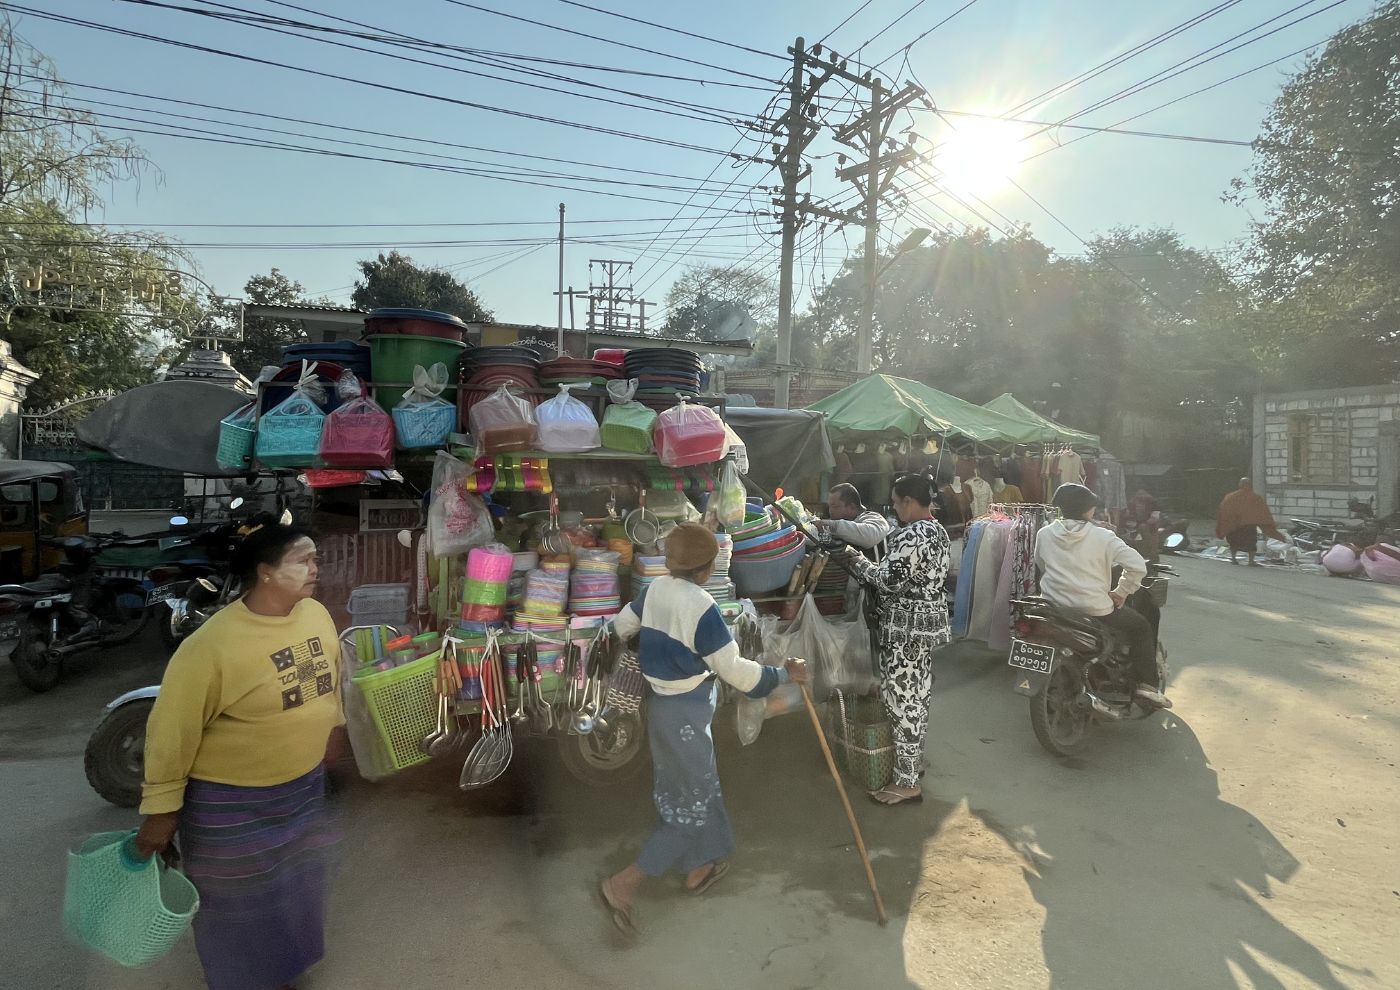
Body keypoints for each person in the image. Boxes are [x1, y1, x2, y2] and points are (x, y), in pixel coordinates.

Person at [135, 525, 344, 990]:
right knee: (237, 902)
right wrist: (161, 812)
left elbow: (330, 676)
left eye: (315, 558)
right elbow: (170, 734)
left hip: (303, 787)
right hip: (230, 802)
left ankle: (288, 969)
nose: (315, 569)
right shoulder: (211, 647)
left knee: (297, 886)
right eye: (302, 560)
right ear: (265, 572)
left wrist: (334, 730)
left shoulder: (315, 615)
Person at [600, 522, 807, 937]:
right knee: (690, 804)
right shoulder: (702, 607)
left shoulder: (654, 591)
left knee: (694, 787)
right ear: (709, 567)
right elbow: (737, 673)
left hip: (663, 709)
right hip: (686, 714)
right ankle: (624, 883)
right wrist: (784, 672)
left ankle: (699, 867)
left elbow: (619, 628)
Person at [839, 475, 952, 807]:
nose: (894, 508)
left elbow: (887, 581)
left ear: (907, 502)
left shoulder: (914, 534)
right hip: (922, 628)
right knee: (917, 695)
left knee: (904, 702)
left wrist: (856, 561)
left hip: (905, 630)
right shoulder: (938, 531)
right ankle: (911, 768)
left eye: (895, 502)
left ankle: (907, 783)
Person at [1037, 484, 1171, 709]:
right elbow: (1138, 566)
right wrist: (1120, 592)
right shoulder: (1103, 536)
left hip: (1053, 606)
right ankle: (1147, 686)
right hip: (1093, 608)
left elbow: (1041, 564)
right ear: (1085, 511)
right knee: (1140, 627)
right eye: (1091, 507)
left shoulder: (1044, 533)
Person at [819, 482, 892, 619]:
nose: (830, 511)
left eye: (835, 506)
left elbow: (869, 536)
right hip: (852, 600)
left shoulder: (873, 518)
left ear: (852, 507)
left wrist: (829, 525)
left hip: (876, 599)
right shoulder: (841, 522)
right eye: (829, 506)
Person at [1215, 478, 1284, 565]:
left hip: (1234, 525)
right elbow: (1263, 512)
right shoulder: (1255, 497)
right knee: (1251, 544)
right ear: (1250, 485)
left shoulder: (1230, 497)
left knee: (1234, 543)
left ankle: (1234, 559)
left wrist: (1227, 523)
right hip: (1248, 526)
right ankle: (1251, 561)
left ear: (1240, 485)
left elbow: (1223, 510)